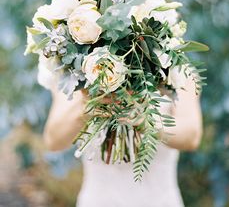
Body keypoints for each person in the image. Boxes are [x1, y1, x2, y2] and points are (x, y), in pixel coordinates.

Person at [39, 55, 203, 207]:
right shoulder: (75, 73)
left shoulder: (177, 70)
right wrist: (86, 107)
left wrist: (146, 121)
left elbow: (191, 137)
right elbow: (53, 140)